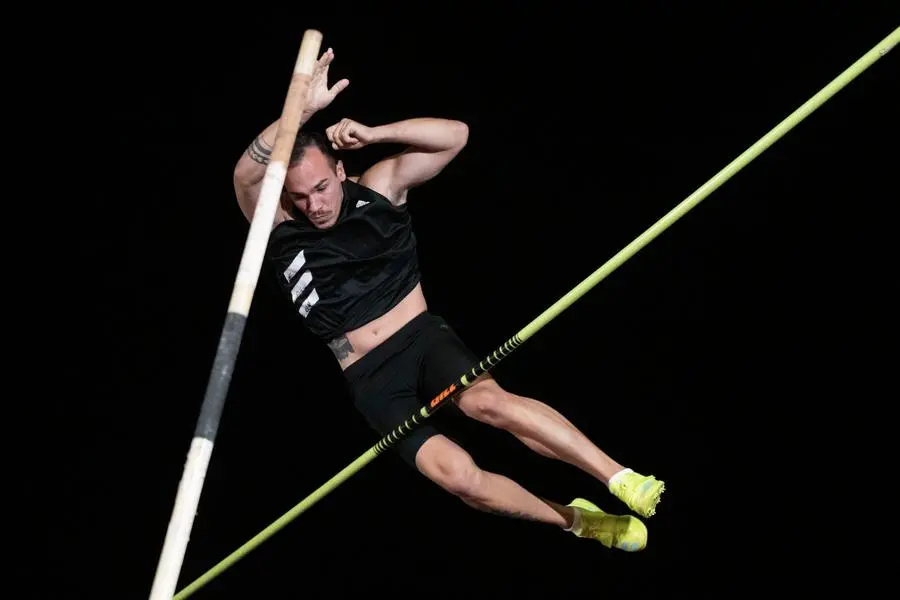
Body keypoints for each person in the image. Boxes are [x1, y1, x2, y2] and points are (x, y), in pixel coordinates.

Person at [233, 47, 665, 552]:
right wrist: (300, 111)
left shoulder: (379, 187)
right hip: (370, 377)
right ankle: (576, 521)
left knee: (488, 404)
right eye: (301, 195)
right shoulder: (279, 225)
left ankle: (619, 477)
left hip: (420, 341)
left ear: (341, 168)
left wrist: (376, 134)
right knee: (460, 479)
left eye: (323, 188)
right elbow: (245, 175)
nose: (315, 204)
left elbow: (455, 135)